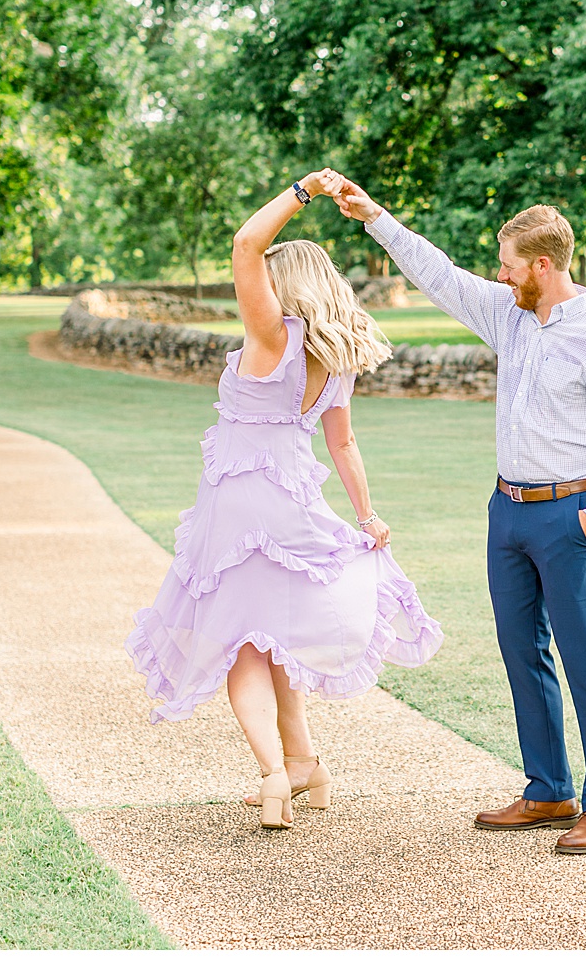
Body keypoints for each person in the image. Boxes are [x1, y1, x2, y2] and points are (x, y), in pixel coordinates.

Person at [326, 173, 586, 856]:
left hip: (570, 517)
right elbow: (438, 275)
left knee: (585, 657)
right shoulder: (509, 313)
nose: (499, 275)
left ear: (541, 265)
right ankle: (547, 791)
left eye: (508, 264)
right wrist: (374, 217)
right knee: (521, 651)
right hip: (506, 513)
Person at [125, 170, 442, 829]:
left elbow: (246, 242)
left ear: (284, 284)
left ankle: (273, 776)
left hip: (239, 504)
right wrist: (367, 516)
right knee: (271, 643)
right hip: (293, 502)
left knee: (241, 643)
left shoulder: (272, 334)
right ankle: (306, 769)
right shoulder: (336, 354)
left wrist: (302, 191)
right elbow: (344, 444)